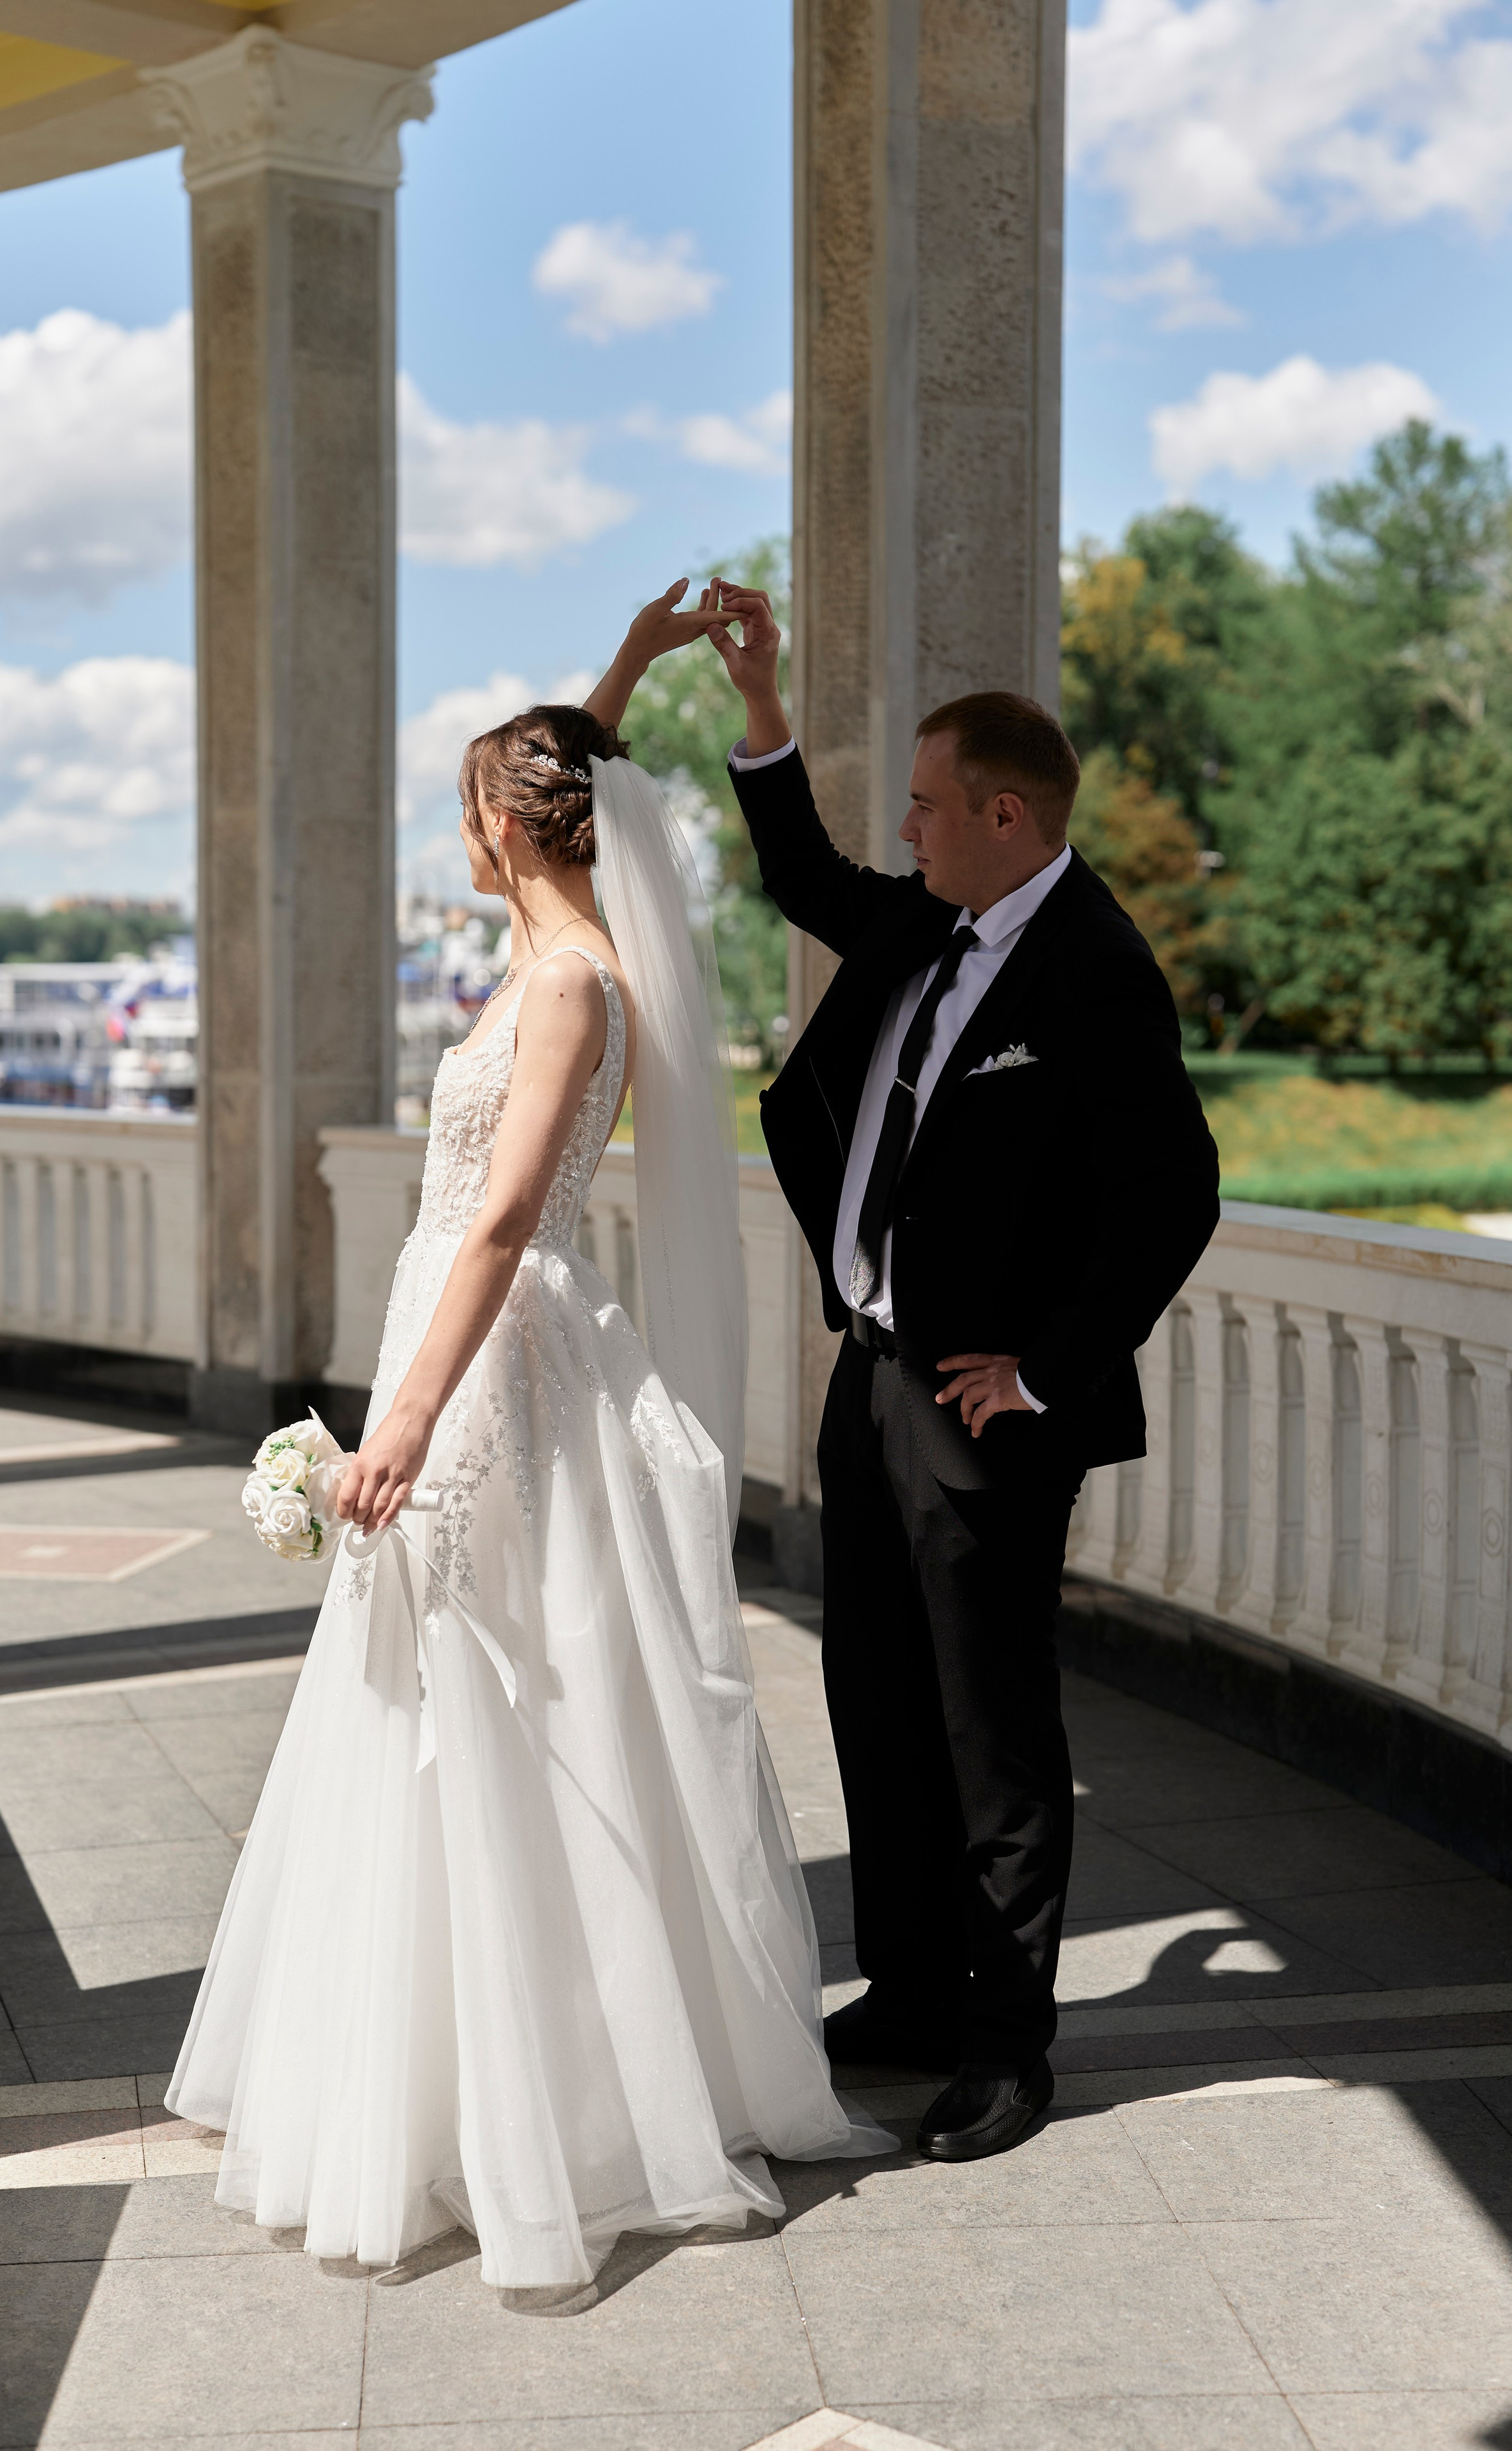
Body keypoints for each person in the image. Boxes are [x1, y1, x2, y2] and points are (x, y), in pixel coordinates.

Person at [166, 585, 889, 2290]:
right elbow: (575, 777)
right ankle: (416, 2078)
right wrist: (630, 671)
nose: (465, 839)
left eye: (473, 813)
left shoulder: (573, 983)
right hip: (468, 1338)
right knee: (428, 1692)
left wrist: (395, 1421)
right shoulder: (535, 944)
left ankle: (563, 2101)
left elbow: (498, 1225)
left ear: (504, 825)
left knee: (522, 1690)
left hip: (504, 1360)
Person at [711, 578, 1220, 2163]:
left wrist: (1049, 1372)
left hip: (979, 1410)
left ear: (1007, 813)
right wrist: (758, 697)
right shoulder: (928, 919)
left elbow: (1171, 1193)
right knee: (872, 1697)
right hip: (866, 1381)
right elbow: (797, 869)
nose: (908, 830)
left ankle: (1006, 2049)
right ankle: (915, 1991)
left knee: (991, 1735)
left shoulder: (1094, 967)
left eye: (928, 807)